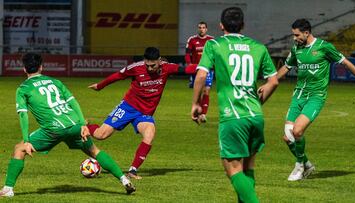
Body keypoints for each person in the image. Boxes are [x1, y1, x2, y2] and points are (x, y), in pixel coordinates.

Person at [0, 53, 135, 197]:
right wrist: (83, 124)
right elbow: (73, 102)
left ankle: (8, 189)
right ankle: (124, 179)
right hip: (74, 125)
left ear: (24, 69)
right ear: (41, 67)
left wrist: (27, 141)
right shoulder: (55, 81)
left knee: (19, 149)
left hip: (53, 130)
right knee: (95, 151)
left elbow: (23, 115)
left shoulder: (23, 88)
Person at [191, 7, 278, 202]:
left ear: (221, 25)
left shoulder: (214, 45)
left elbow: (202, 75)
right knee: (248, 168)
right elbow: (273, 81)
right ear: (243, 25)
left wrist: (195, 104)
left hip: (233, 116)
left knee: (233, 170)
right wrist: (258, 102)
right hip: (255, 115)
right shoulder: (258, 47)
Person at [83, 47, 197, 180]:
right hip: (128, 107)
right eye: (147, 65)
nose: (149, 68)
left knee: (149, 134)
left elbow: (188, 69)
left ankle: (132, 170)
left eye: (153, 65)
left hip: (144, 113)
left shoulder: (167, 67)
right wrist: (100, 86)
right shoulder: (136, 68)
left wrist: (207, 65)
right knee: (101, 135)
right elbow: (118, 76)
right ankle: (85, 127)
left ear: (159, 61)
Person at [277, 19, 355, 181]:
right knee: (288, 137)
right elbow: (286, 68)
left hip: (316, 97)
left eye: (297, 35)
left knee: (297, 131)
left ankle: (299, 165)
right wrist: (270, 83)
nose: (294, 38)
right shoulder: (296, 49)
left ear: (306, 33)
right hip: (298, 96)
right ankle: (307, 165)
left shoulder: (324, 47)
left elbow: (345, 62)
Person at [185, 21, 214, 122]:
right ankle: (197, 108)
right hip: (196, 70)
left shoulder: (211, 40)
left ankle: (203, 114)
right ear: (198, 29)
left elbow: (215, 55)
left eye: (203, 27)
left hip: (208, 69)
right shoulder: (192, 40)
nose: (201, 29)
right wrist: (190, 65)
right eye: (200, 27)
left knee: (206, 90)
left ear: (206, 29)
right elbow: (187, 54)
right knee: (198, 92)